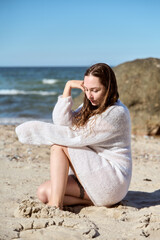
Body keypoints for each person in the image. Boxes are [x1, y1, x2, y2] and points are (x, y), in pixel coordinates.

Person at [16, 63, 132, 210]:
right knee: (43, 193)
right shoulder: (91, 107)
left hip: (112, 180)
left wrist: (34, 130)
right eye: (87, 90)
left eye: (95, 90)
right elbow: (62, 123)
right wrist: (68, 87)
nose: (90, 96)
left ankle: (55, 206)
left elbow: (75, 137)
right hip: (94, 177)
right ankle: (93, 201)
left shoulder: (116, 113)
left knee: (59, 145)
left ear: (109, 88)